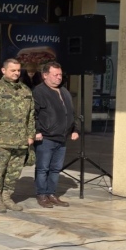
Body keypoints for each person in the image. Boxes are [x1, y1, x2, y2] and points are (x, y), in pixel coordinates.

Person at [0, 58, 35, 213]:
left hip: (20, 139)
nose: (16, 73)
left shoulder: (25, 90)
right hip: (1, 139)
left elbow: (31, 115)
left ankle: (7, 196)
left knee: (14, 171)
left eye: (18, 70)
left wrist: (31, 135)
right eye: (13, 70)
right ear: (3, 70)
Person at [33, 61, 78, 208]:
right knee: (43, 168)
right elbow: (33, 114)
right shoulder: (39, 91)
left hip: (61, 138)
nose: (59, 77)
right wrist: (37, 131)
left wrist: (74, 129)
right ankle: (42, 195)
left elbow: (70, 112)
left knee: (55, 168)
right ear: (45, 75)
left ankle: (51, 194)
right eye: (55, 74)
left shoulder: (64, 91)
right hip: (46, 137)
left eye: (60, 74)